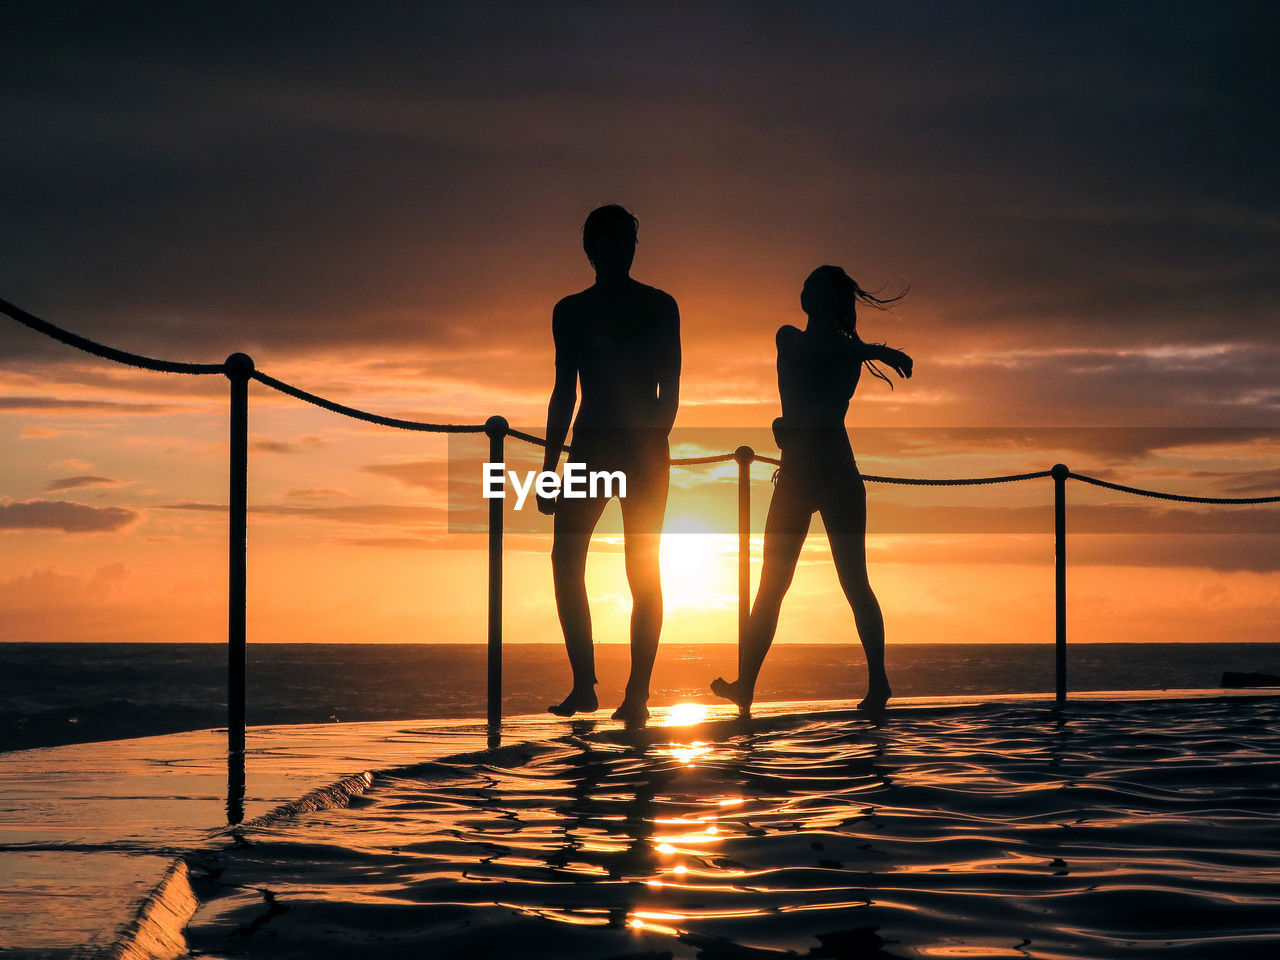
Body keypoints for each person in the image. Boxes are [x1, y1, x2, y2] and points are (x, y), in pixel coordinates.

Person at [712, 265, 910, 715]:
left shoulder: (845, 352)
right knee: (771, 588)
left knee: (855, 583)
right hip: (798, 476)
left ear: (828, 300)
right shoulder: (793, 339)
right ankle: (747, 685)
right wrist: (877, 350)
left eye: (814, 287)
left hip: (835, 472)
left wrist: (869, 350)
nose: (804, 291)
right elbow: (813, 355)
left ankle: (878, 683)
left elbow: (820, 395)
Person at [538, 205, 681, 727]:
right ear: (592, 249)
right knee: (565, 559)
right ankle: (584, 683)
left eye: (629, 240)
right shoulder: (570, 311)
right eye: (614, 240)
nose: (624, 250)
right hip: (592, 448)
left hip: (639, 452)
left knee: (642, 571)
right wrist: (551, 467)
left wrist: (647, 446)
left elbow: (670, 393)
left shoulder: (662, 306)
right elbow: (563, 394)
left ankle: (637, 693)